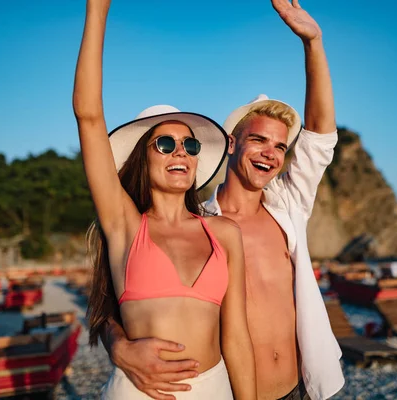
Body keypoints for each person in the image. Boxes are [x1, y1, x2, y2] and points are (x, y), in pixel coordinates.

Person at [100, 0, 345, 399]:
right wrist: (118, 346)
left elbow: (320, 138)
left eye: (280, 147)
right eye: (259, 140)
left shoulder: (288, 205)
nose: (270, 153)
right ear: (231, 143)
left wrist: (313, 43)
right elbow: (117, 301)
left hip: (302, 387)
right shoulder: (200, 224)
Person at [72, 0, 256, 399]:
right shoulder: (124, 225)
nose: (181, 152)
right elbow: (88, 116)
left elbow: (237, 335)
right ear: (144, 156)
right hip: (139, 392)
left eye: (190, 145)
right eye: (166, 143)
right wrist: (98, 9)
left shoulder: (224, 232)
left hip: (215, 388)